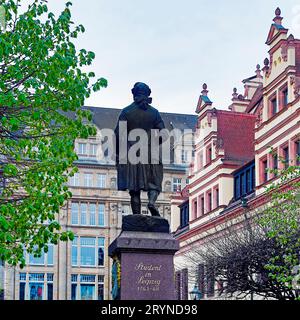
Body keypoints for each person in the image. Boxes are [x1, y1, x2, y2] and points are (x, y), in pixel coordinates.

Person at [114, 82, 166, 217]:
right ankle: (151, 202)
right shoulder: (154, 113)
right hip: (150, 152)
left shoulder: (126, 112)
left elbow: (118, 135)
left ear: (134, 94)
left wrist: (120, 155)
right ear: (147, 94)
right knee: (154, 182)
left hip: (132, 153)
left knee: (134, 188)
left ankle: (136, 216)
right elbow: (164, 134)